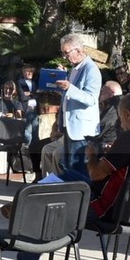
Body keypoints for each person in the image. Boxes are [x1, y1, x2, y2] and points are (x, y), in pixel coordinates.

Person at [2, 92, 130, 260]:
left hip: (107, 210)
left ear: (127, 114)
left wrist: (92, 155)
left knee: (49, 205)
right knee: (69, 176)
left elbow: (96, 174)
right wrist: (110, 153)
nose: (121, 125)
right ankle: (26, 204)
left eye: (120, 119)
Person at [46, 33, 102, 178]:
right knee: (70, 168)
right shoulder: (74, 69)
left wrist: (69, 87)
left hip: (82, 131)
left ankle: (81, 193)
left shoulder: (91, 69)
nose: (64, 57)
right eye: (63, 53)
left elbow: (91, 98)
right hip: (70, 128)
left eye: (66, 53)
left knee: (79, 171)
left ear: (78, 50)